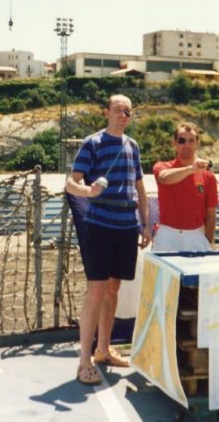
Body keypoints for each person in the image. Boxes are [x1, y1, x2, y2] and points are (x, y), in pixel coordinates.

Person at [66, 94, 151, 386]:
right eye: (118, 110)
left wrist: (145, 224)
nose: (123, 115)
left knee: (113, 288)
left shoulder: (133, 146)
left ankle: (103, 350)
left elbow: (140, 187)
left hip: (126, 226)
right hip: (99, 225)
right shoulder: (92, 143)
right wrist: (87, 191)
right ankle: (84, 362)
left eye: (128, 111)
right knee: (97, 289)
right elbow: (71, 182)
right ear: (107, 112)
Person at [152, 122, 218, 252]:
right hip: (167, 235)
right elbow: (164, 178)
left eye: (191, 141)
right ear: (174, 143)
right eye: (182, 141)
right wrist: (191, 169)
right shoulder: (162, 166)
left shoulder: (208, 176)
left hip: (196, 235)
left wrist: (208, 240)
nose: (186, 145)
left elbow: (211, 213)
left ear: (197, 143)